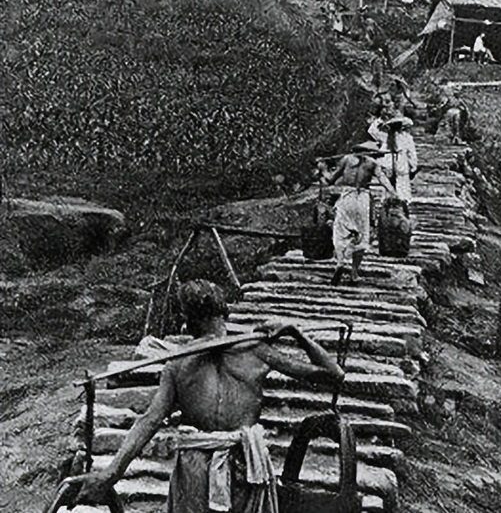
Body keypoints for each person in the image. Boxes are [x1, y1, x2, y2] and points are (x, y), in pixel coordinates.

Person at [65, 280, 344, 513]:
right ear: (225, 312)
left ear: (187, 320)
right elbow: (334, 374)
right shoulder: (255, 350)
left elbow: (149, 420)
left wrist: (112, 472)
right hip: (243, 466)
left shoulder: (179, 364)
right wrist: (296, 333)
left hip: (202, 467)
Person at [318, 142, 397, 285]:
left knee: (340, 232)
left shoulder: (346, 159)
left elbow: (330, 180)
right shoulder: (372, 163)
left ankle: (340, 263)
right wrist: (393, 192)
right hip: (362, 200)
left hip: (347, 197)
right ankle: (354, 272)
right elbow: (383, 179)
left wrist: (323, 169)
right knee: (362, 235)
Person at [382, 116, 418, 201]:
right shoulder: (407, 138)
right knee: (402, 183)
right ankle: (403, 201)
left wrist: (384, 165)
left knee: (390, 184)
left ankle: (391, 200)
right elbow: (411, 153)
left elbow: (383, 152)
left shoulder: (387, 138)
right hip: (401, 162)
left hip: (390, 162)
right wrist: (413, 165)